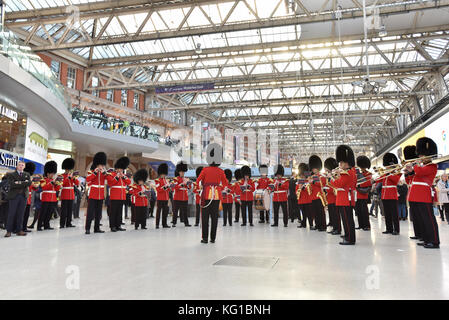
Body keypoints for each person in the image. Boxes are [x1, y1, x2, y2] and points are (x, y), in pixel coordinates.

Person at [406, 137, 439, 249]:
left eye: (421, 155)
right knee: (422, 219)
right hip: (417, 195)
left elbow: (420, 173)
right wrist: (410, 171)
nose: (419, 157)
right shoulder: (422, 166)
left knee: (428, 219)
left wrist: (415, 165)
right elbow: (415, 177)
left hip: (424, 195)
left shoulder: (432, 166)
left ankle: (434, 241)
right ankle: (426, 239)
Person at [196, 143, 229, 244]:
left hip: (206, 194)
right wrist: (219, 187)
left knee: (205, 218)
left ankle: (205, 238)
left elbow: (197, 181)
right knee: (214, 218)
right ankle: (213, 238)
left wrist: (200, 187)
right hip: (216, 196)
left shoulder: (205, 170)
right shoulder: (220, 171)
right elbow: (225, 184)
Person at [329, 145, 356, 245]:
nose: (339, 164)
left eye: (341, 162)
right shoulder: (350, 171)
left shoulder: (347, 173)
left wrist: (331, 177)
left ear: (346, 163)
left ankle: (350, 239)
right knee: (346, 219)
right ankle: (348, 235)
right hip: (344, 197)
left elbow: (338, 184)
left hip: (344, 198)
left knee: (347, 219)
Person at [375, 153, 402, 235]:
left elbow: (396, 180)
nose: (386, 167)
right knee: (387, 213)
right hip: (384, 195)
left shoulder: (396, 172)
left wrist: (388, 173)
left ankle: (396, 230)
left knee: (394, 214)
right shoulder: (385, 172)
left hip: (392, 194)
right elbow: (378, 180)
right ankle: (389, 228)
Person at [4, 161, 31, 237]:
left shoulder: (27, 174)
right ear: (16, 166)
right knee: (11, 214)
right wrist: (23, 183)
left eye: (22, 165)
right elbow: (11, 184)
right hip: (14, 196)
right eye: (19, 165)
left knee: (21, 214)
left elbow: (29, 183)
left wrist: (18, 183)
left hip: (23, 196)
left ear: (24, 167)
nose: (21, 166)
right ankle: (9, 231)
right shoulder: (11, 174)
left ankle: (19, 230)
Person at [106, 157, 131, 232]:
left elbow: (129, 182)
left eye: (122, 169)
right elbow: (110, 183)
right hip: (114, 196)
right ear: (116, 168)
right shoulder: (111, 174)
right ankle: (112, 226)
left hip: (122, 196)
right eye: (120, 169)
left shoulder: (124, 176)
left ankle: (118, 225)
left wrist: (123, 176)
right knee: (113, 212)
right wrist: (117, 177)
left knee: (119, 212)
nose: (121, 170)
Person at [85, 152, 108, 234]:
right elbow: (87, 180)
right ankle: (87, 228)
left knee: (98, 213)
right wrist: (95, 172)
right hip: (93, 194)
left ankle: (96, 228)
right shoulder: (91, 171)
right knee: (90, 213)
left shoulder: (103, 172)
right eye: (101, 165)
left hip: (100, 195)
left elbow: (109, 178)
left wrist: (104, 172)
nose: (102, 166)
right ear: (97, 164)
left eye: (102, 165)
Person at [38, 161, 61, 231]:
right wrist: (51, 183)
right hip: (46, 198)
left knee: (49, 213)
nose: (53, 175)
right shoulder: (43, 180)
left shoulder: (53, 180)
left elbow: (57, 189)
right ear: (48, 173)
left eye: (53, 174)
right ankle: (39, 226)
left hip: (53, 199)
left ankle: (46, 225)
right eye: (52, 174)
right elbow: (44, 188)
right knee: (43, 213)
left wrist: (57, 184)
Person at [308, 155, 327, 231]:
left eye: (315, 168)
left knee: (320, 212)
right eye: (312, 169)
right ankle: (317, 224)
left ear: (318, 168)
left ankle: (323, 226)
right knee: (315, 212)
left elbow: (322, 183)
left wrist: (313, 182)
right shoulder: (311, 176)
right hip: (313, 196)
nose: (313, 170)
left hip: (319, 196)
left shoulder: (321, 176)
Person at [60, 158, 79, 228]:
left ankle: (68, 223)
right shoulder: (62, 176)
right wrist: (67, 178)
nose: (69, 171)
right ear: (65, 169)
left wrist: (73, 178)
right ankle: (62, 224)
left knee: (70, 210)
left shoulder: (72, 176)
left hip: (71, 195)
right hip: (65, 195)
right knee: (63, 211)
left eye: (70, 169)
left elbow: (77, 183)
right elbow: (61, 183)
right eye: (68, 169)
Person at [172, 161, 192, 227]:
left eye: (183, 172)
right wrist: (181, 185)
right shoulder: (175, 179)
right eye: (181, 172)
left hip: (184, 198)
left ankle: (186, 223)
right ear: (179, 172)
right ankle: (174, 222)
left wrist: (188, 184)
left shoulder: (186, 179)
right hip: (177, 198)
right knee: (175, 211)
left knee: (185, 211)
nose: (182, 173)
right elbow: (175, 187)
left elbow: (189, 188)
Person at [355, 155, 372, 231]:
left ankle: (366, 225)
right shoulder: (357, 173)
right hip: (357, 194)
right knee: (358, 211)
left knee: (364, 211)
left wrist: (359, 184)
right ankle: (361, 225)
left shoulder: (368, 174)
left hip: (363, 194)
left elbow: (368, 183)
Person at [323, 158, 339, 234]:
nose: (325, 169)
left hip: (334, 197)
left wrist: (330, 178)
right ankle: (334, 228)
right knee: (332, 214)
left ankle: (337, 229)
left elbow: (335, 185)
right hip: (330, 197)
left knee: (336, 214)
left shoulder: (334, 174)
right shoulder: (329, 175)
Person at [22, 162, 37, 233]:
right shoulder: (24, 177)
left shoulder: (29, 178)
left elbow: (34, 189)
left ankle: (24, 227)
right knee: (22, 214)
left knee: (26, 214)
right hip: (24, 197)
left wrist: (35, 185)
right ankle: (20, 227)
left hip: (29, 198)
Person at [296, 163, 313, 229]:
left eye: (303, 175)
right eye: (301, 175)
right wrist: (300, 189)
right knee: (303, 214)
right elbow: (296, 190)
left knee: (309, 213)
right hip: (301, 200)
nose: (302, 176)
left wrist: (305, 188)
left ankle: (311, 225)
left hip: (308, 199)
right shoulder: (299, 181)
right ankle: (303, 224)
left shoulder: (308, 181)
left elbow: (311, 189)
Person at [155, 163, 171, 229]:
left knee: (165, 212)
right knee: (158, 212)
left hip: (166, 198)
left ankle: (164, 224)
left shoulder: (166, 180)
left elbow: (169, 190)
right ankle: (157, 224)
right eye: (163, 174)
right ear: (160, 174)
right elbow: (158, 189)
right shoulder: (157, 180)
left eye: (164, 174)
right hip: (160, 198)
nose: (163, 175)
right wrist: (164, 187)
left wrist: (169, 186)